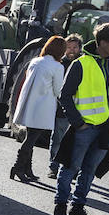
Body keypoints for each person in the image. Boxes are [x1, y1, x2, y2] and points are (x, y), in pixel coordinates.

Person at [53, 23, 109, 215]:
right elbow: (65, 96)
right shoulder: (81, 64)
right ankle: (60, 205)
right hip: (85, 128)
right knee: (71, 167)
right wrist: (78, 124)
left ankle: (77, 208)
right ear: (103, 43)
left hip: (107, 127)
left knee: (89, 170)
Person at [9, 35, 66, 182]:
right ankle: (18, 167)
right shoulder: (58, 67)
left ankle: (27, 169)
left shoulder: (35, 61)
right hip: (43, 107)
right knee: (31, 139)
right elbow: (57, 89)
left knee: (30, 137)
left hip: (29, 104)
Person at [47, 33, 85, 178]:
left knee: (76, 143)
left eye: (75, 47)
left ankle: (72, 169)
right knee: (57, 139)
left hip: (79, 110)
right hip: (61, 110)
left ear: (79, 48)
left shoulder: (83, 65)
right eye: (69, 47)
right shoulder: (59, 64)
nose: (71, 50)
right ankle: (53, 167)